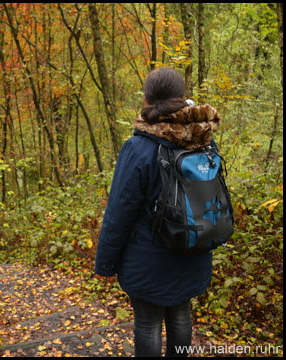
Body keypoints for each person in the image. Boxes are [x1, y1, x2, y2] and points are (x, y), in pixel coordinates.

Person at [95, 67, 223, 357]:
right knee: (180, 314)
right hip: (193, 246)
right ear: (181, 98)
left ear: (147, 99)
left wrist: (105, 263)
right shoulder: (203, 140)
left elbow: (119, 210)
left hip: (148, 256)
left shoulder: (138, 147)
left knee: (148, 323)